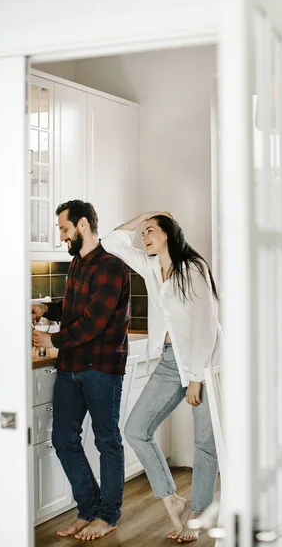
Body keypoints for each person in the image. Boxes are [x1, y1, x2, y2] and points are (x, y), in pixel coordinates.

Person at [101, 212, 224, 543]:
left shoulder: (193, 268)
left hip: (205, 361)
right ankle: (172, 496)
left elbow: (205, 325)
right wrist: (145, 214)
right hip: (170, 361)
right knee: (136, 429)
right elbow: (111, 241)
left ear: (168, 234)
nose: (144, 236)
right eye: (143, 233)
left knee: (204, 442)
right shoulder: (151, 266)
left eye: (151, 231)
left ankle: (197, 513)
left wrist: (197, 376)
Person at [32, 200, 130, 541]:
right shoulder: (77, 265)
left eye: (64, 228)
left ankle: (109, 516)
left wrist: (53, 338)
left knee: (107, 441)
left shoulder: (113, 267)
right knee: (63, 439)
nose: (61, 236)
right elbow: (74, 308)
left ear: (83, 225)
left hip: (101, 369)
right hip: (71, 366)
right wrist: (47, 307)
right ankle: (87, 509)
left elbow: (93, 323)